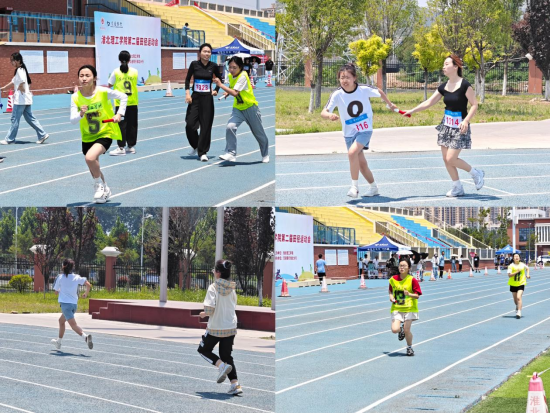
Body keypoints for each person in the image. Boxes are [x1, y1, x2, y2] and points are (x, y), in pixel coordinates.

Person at [402, 55, 485, 197]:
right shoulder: (443, 87)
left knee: (451, 158)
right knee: (446, 159)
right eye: (443, 64)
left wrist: (466, 121)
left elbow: (474, 105)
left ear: (455, 67)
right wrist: (412, 111)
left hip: (460, 126)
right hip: (446, 126)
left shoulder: (465, 85)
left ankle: (475, 173)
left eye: (446, 64)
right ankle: (457, 187)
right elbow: (429, 102)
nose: (443, 67)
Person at [321, 64, 397, 198]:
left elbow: (379, 91)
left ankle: (354, 187)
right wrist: (329, 115)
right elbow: (324, 112)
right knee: (361, 164)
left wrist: (389, 104)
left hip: (364, 129)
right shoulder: (337, 94)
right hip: (348, 132)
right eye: (342, 78)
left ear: (354, 78)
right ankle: (373, 187)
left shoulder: (363, 89)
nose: (344, 80)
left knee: (352, 153)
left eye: (348, 77)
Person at [70, 65, 127, 204]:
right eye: (81, 76)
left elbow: (123, 96)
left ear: (94, 78)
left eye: (87, 75)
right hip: (87, 136)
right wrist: (81, 113)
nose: (84, 78)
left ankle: (98, 185)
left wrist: (119, 114)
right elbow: (72, 120)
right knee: (93, 166)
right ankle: (105, 188)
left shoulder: (102, 92)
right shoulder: (75, 97)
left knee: (90, 158)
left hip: (104, 132)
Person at [197, 260, 243, 395]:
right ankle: (235, 384)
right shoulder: (232, 288)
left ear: (217, 273)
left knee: (203, 350)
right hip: (230, 326)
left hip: (215, 327)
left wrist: (203, 313)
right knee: (226, 355)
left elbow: (210, 309)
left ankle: (221, 366)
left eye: (214, 270)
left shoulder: (213, 287)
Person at [214, 56, 270, 163]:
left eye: (234, 67)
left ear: (240, 67)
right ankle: (231, 153)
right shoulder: (230, 76)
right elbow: (232, 87)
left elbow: (235, 93)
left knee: (258, 133)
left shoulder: (243, 75)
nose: (231, 70)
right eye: (230, 67)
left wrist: (220, 85)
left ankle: (265, 154)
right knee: (230, 127)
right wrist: (227, 93)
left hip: (250, 108)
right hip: (238, 108)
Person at [0, 52, 50, 147]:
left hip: (20, 100)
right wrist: (3, 88)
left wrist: (21, 88)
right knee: (30, 118)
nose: (11, 62)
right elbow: (13, 82)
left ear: (18, 61)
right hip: (26, 99)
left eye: (12, 60)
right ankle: (42, 134)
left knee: (15, 119)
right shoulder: (21, 70)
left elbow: (22, 82)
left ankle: (9, 139)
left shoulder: (20, 70)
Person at [185, 43, 221, 162]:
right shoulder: (194, 64)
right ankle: (196, 145)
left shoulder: (213, 66)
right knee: (190, 124)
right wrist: (187, 94)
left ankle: (203, 152)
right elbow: (187, 79)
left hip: (207, 99)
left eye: (209, 52)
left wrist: (216, 90)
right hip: (195, 98)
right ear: (200, 53)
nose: (207, 54)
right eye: (204, 51)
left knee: (206, 126)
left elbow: (219, 79)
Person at [51, 259, 93, 350]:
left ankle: (85, 337)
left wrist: (60, 290)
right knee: (61, 321)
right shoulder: (76, 277)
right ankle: (58, 342)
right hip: (74, 305)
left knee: (73, 325)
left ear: (63, 266)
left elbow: (56, 292)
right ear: (72, 267)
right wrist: (86, 294)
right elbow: (88, 285)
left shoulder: (60, 277)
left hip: (65, 305)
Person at [108, 50, 139, 156]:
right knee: (132, 125)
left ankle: (121, 147)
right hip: (132, 102)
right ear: (129, 59)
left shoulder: (116, 72)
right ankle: (131, 146)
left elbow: (109, 84)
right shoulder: (135, 71)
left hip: (120, 103)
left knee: (121, 125)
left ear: (119, 60)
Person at [389, 259, 422, 356]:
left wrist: (409, 294)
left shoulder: (412, 280)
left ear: (409, 268)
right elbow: (390, 290)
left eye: (404, 265)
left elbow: (417, 295)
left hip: (409, 308)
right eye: (400, 265)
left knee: (407, 329)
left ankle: (409, 347)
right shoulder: (393, 279)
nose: (402, 267)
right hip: (397, 308)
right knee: (394, 330)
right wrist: (391, 297)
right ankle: (401, 330)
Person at [507, 253, 530, 319]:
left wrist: (527, 275)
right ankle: (517, 306)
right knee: (515, 300)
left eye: (517, 256)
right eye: (515, 256)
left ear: (519, 258)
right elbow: (509, 275)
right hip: (513, 284)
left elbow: (527, 269)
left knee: (518, 297)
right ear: (513, 258)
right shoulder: (511, 266)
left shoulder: (522, 264)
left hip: (521, 283)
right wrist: (516, 272)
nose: (516, 257)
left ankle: (519, 312)